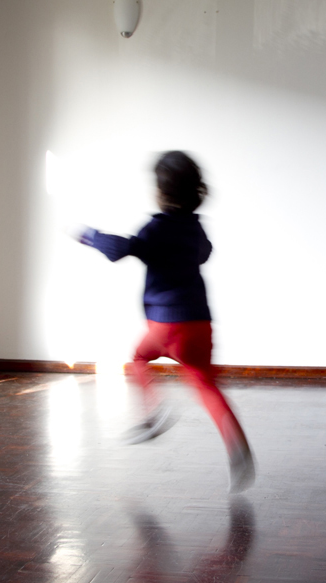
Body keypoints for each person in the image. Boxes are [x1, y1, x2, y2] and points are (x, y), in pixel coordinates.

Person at [76, 150, 255, 493]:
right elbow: (205, 253)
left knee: (139, 358)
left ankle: (153, 411)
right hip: (199, 325)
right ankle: (237, 444)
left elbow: (120, 249)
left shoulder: (155, 229)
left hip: (165, 326)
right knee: (205, 385)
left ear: (160, 192)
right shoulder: (195, 228)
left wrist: (90, 235)